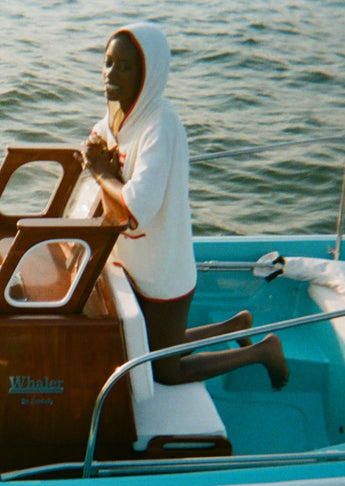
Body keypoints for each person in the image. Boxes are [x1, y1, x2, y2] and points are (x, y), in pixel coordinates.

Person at [80, 23, 288, 389]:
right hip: (129, 262)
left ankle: (263, 351)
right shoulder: (109, 125)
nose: (111, 74)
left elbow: (134, 209)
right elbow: (97, 190)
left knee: (165, 369)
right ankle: (234, 326)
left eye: (125, 66)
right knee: (154, 348)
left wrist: (101, 173)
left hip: (163, 269)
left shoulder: (161, 123)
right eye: (108, 62)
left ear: (149, 73)